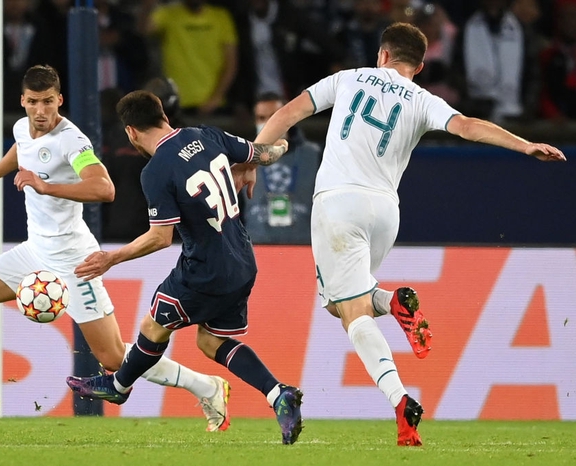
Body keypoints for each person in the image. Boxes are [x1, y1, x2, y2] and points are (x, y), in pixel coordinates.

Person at [245, 22, 565, 446]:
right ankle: (391, 302)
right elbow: (468, 126)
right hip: (385, 212)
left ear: (382, 55)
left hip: (338, 203)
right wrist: (525, 145)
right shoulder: (422, 99)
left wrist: (251, 160)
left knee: (352, 315)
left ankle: (399, 400)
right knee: (342, 305)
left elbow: (286, 115)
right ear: (417, 66)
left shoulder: (347, 79)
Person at [0, 65, 233, 433]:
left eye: (48, 102)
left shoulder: (72, 141)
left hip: (74, 261)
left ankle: (207, 386)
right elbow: (21, 149)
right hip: (33, 252)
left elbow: (104, 188)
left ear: (60, 100)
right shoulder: (23, 126)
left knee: (114, 359)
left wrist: (45, 186)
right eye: (33, 102)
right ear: (22, 101)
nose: (41, 111)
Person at [66, 90, 304, 445]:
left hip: (203, 270)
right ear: (163, 115)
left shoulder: (156, 170)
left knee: (153, 325)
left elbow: (160, 238)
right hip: (242, 260)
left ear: (131, 132)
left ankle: (117, 386)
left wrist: (110, 258)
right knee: (211, 341)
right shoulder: (205, 134)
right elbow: (263, 153)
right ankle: (277, 393)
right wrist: (279, 148)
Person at [244, 92, 322, 244]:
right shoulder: (243, 158)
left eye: (274, 117)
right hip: (256, 249)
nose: (267, 123)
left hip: (306, 248)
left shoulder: (316, 155)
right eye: (261, 118)